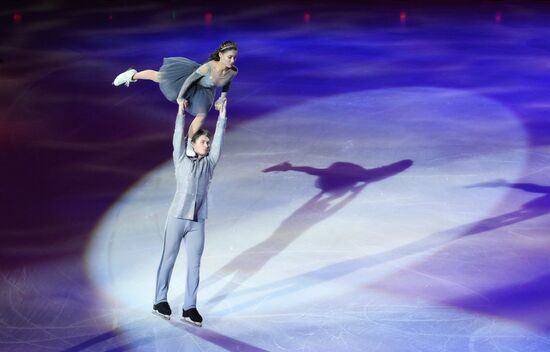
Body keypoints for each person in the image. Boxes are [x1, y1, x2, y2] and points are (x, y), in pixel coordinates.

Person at [152, 100, 228, 327]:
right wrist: (180, 113)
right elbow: (177, 137)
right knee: (169, 259)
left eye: (208, 142)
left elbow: (219, 143)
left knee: (194, 264)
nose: (207, 144)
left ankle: (189, 307)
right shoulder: (181, 160)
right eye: (204, 141)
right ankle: (159, 300)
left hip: (197, 221)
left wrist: (222, 116)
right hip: (176, 217)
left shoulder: (209, 164)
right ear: (193, 144)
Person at [112, 41, 237, 145]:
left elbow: (227, 82)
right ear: (221, 55)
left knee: (202, 114)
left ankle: (188, 143)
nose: (232, 60)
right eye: (229, 57)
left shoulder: (233, 71)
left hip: (204, 90)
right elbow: (189, 80)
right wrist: (181, 97)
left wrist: (222, 97)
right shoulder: (208, 67)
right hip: (188, 80)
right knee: (159, 77)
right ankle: (132, 75)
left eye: (234, 57)